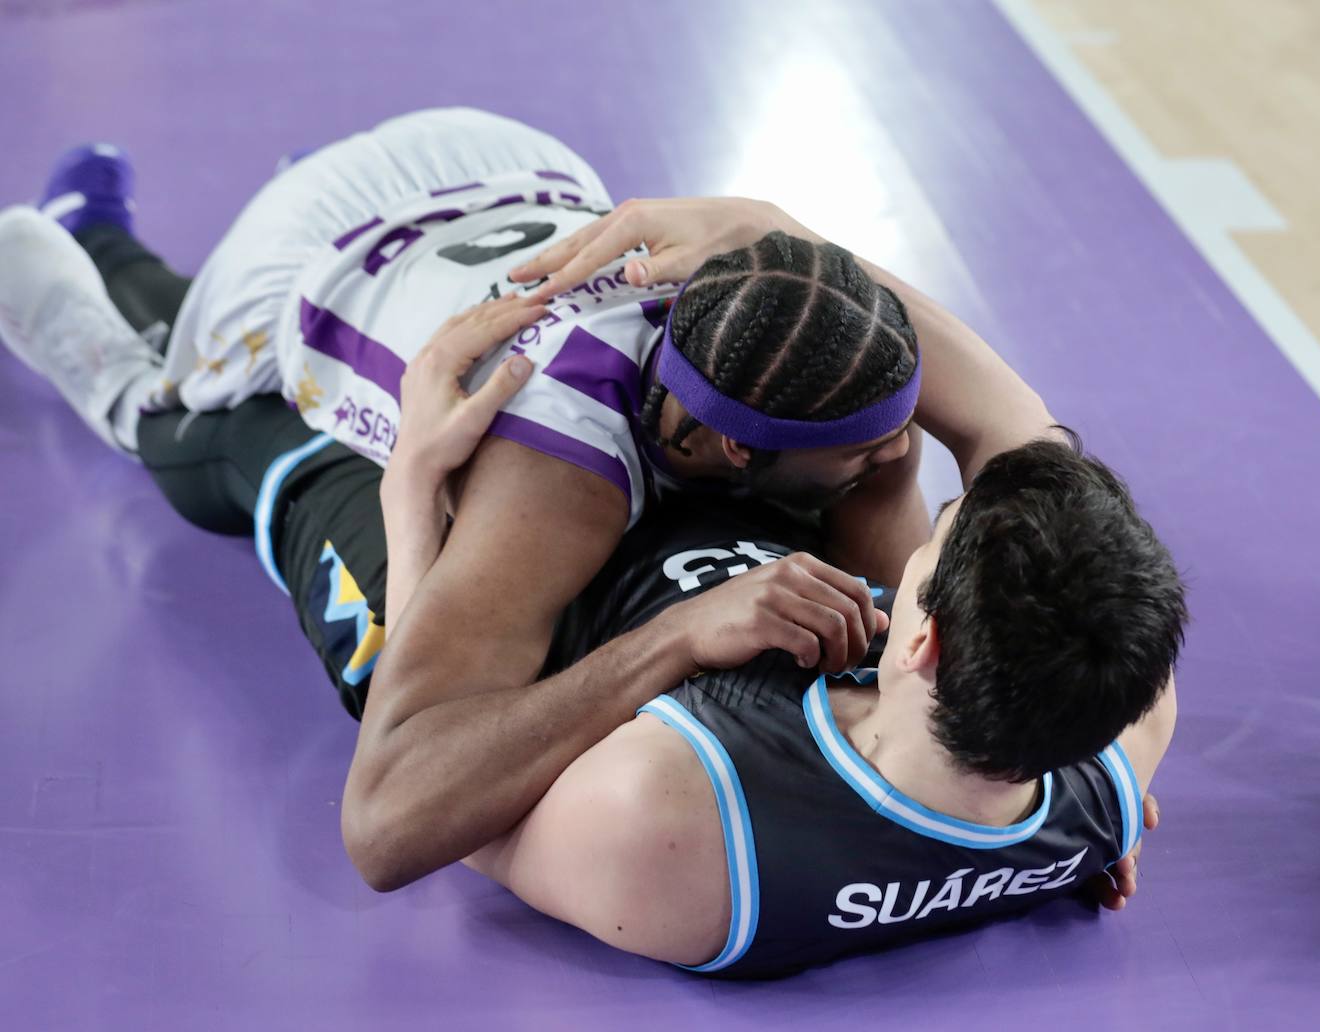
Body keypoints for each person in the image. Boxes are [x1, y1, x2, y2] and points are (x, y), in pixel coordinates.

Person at [0, 244, 1184, 975]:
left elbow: (417, 804)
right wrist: (779, 250)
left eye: (931, 559)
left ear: (921, 640)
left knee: (228, 435)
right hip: (691, 507)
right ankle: (128, 248)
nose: (926, 535)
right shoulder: (1110, 729)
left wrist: (420, 498)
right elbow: (1003, 439)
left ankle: (90, 278)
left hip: (484, 627)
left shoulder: (677, 828)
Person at [6, 108, 1065, 893]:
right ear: (737, 449)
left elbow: (974, 549)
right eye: (871, 454)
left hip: (498, 169)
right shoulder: (557, 467)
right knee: (181, 436)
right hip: (311, 258)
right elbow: (387, 822)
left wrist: (1034, 763)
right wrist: (676, 635)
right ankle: (85, 249)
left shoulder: (782, 319)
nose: (899, 461)